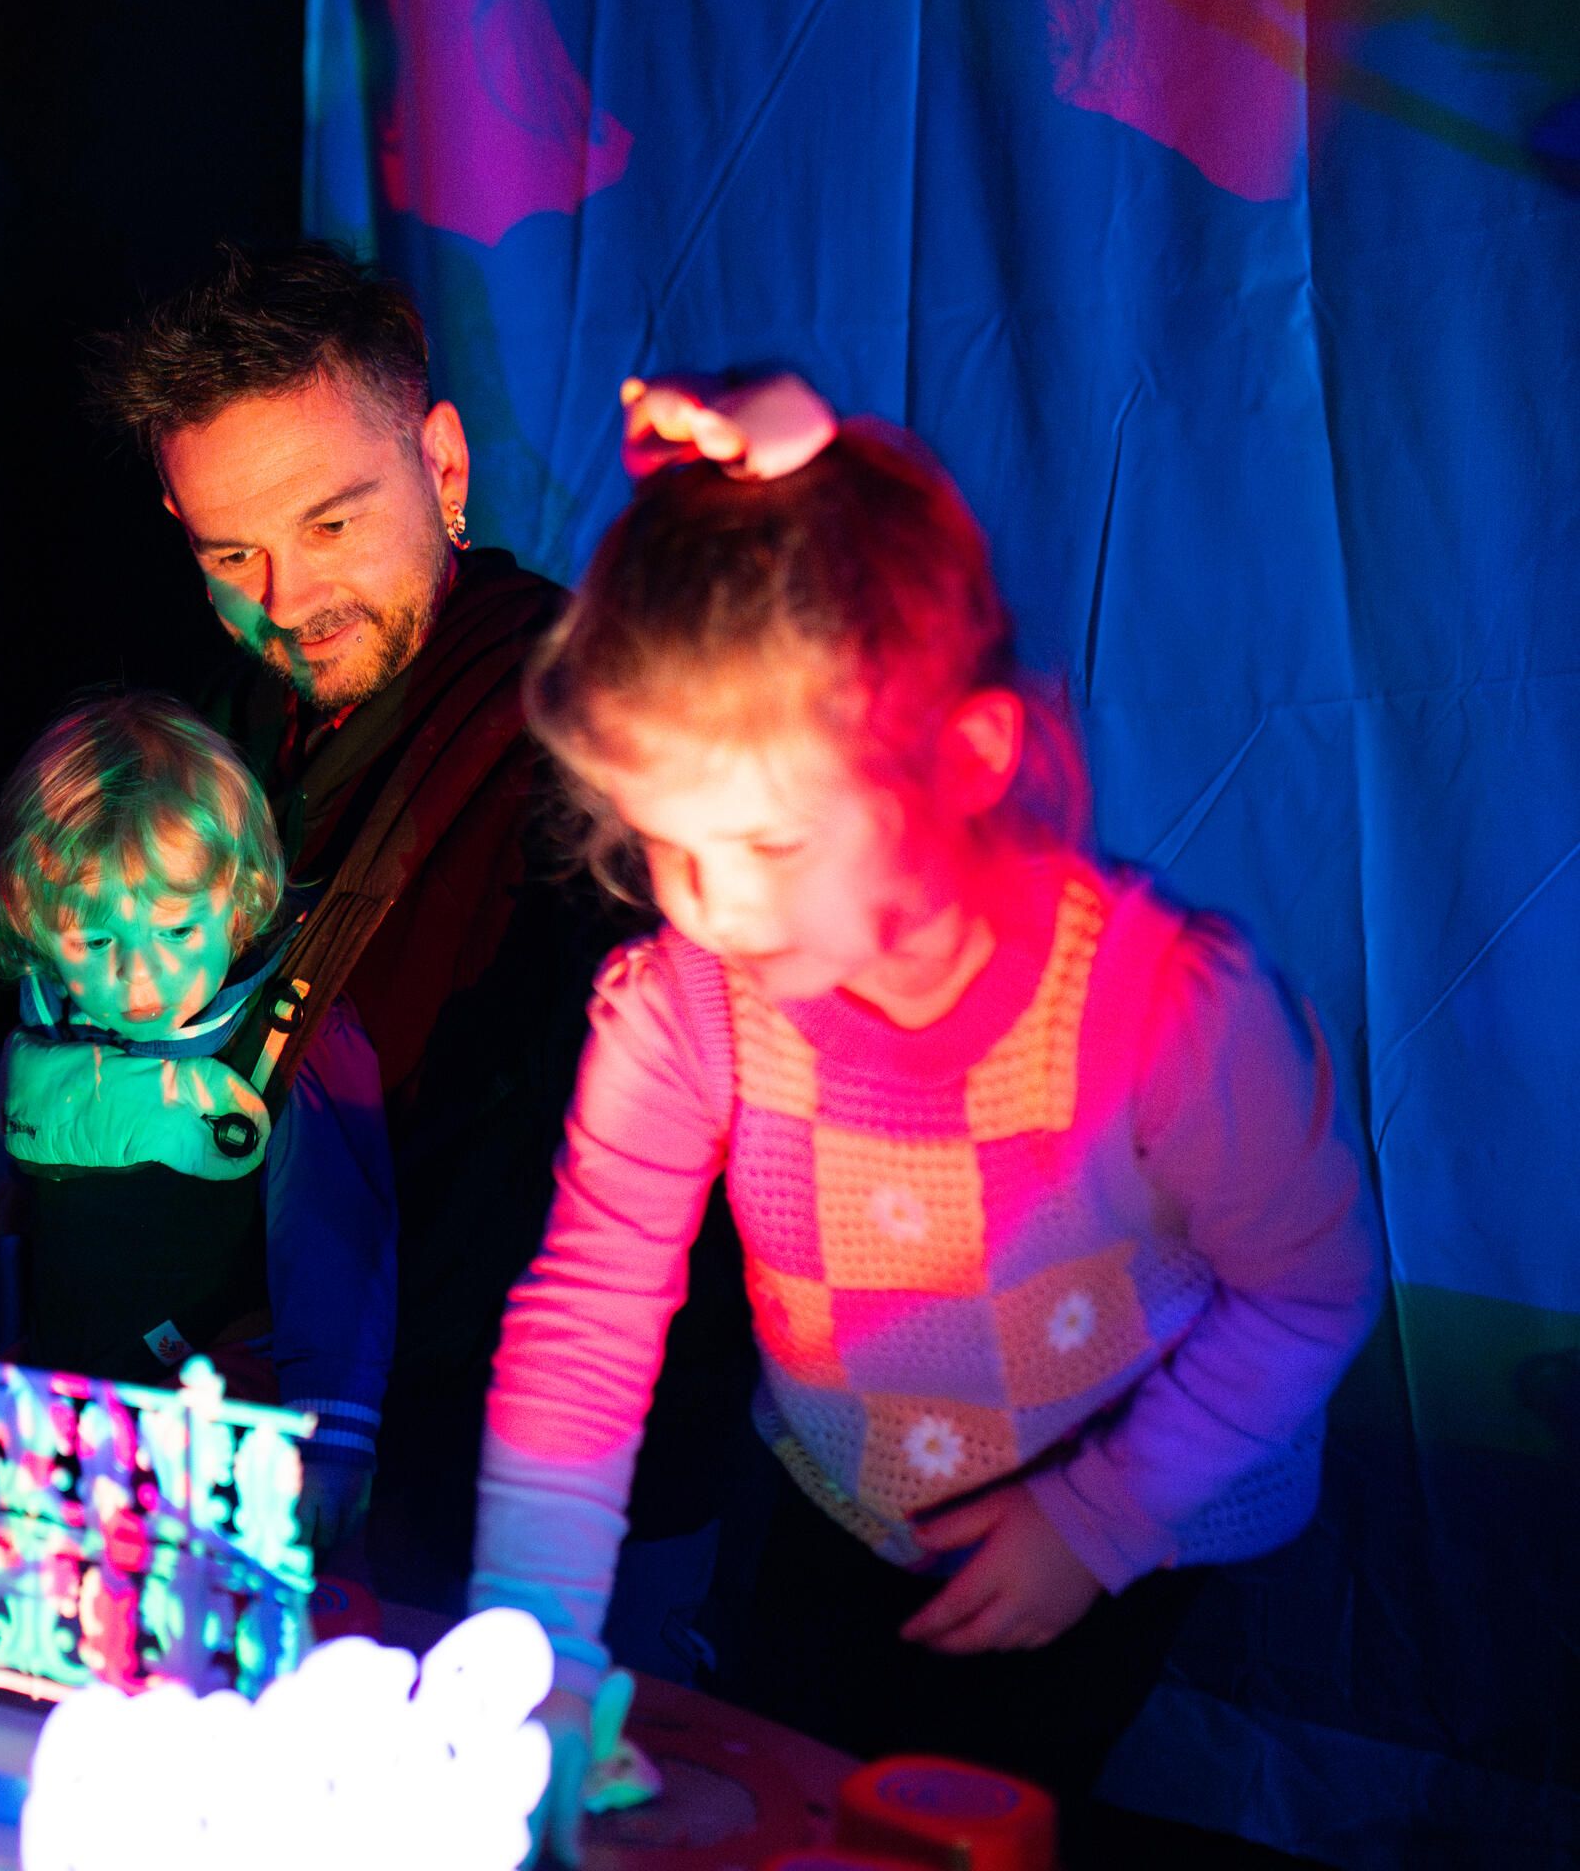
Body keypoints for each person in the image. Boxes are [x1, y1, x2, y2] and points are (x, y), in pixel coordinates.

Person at [473, 375, 1383, 1862]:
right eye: (666, 841)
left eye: (769, 839)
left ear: (962, 760)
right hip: (841, 1491)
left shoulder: (1166, 1013)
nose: (707, 902)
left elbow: (1311, 1292)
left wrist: (1099, 1523)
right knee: (792, 1787)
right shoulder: (681, 1001)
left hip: (1118, 1506)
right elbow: (586, 1323)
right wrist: (538, 1666)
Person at [90, 246, 757, 1614]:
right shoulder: (215, 739)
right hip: (270, 1467)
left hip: (537, 1509)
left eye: (333, 525)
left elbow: (562, 1188)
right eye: (231, 551)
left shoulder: (602, 735)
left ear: (443, 471)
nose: (286, 599)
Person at [0, 691, 395, 1554]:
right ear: (30, 919)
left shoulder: (291, 1044)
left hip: (227, 1399)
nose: (141, 975)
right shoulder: (46, 1011)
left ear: (241, 897)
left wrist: (334, 1439)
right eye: (95, 942)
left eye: (178, 928)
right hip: (74, 1386)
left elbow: (336, 1247)